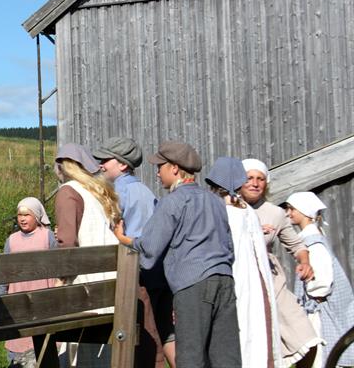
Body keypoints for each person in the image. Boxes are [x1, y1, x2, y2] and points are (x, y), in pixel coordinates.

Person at [112, 141, 241, 367]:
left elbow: (150, 246)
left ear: (174, 168)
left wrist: (123, 238)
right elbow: (229, 246)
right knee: (226, 356)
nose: (157, 173)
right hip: (224, 280)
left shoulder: (173, 201)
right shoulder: (215, 201)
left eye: (159, 167)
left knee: (191, 355)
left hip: (193, 284)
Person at [93, 137, 175, 368]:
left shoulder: (116, 193)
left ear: (122, 164)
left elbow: (112, 233)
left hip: (137, 274)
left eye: (105, 160)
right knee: (166, 332)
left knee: (144, 336)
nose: (101, 165)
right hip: (159, 271)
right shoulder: (145, 191)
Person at [240, 158, 323, 366]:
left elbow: (297, 245)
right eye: (249, 178)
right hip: (241, 280)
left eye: (260, 179)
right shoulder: (229, 208)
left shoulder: (275, 213)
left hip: (271, 280)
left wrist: (305, 262)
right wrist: (251, 232)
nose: (255, 183)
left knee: (306, 337)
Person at [205, 157, 280, 367]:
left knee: (244, 327)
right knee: (253, 327)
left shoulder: (228, 211)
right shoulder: (245, 209)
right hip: (253, 281)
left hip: (238, 279)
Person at [53, 143, 121, 367]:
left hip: (85, 280)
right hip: (108, 277)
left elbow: (67, 242)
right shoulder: (96, 193)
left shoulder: (68, 192)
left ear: (61, 167)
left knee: (81, 350)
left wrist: (61, 277)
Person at [284, 192, 354, 368]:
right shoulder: (311, 238)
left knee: (319, 358)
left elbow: (322, 282)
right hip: (316, 307)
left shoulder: (313, 243)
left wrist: (311, 295)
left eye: (292, 209)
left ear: (305, 211)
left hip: (318, 310)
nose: (288, 213)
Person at [0, 197, 57, 368]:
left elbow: (58, 265)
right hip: (18, 299)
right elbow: (4, 272)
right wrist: (1, 298)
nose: (22, 219)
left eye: (27, 215)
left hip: (42, 299)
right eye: (19, 215)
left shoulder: (47, 236)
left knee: (43, 345)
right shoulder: (12, 240)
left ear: (37, 217)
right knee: (19, 342)